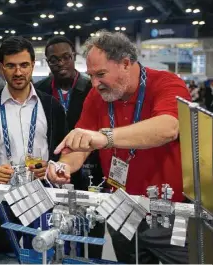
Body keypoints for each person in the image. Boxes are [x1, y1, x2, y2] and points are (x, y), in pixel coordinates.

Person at [47, 30, 191, 264]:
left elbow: (168, 127)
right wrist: (64, 166)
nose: (94, 84)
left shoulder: (166, 83)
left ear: (125, 63)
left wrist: (105, 138)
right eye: (91, 75)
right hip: (121, 209)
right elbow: (81, 143)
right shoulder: (97, 97)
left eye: (101, 74)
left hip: (170, 213)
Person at [0, 36, 67, 253]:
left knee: (44, 254)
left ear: (33, 65)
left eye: (24, 65)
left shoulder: (51, 106)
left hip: (44, 194)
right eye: (11, 66)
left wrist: (51, 166)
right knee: (5, 256)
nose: (18, 72)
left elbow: (65, 150)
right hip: (3, 197)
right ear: (1, 67)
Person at [35, 35, 105, 259]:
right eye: (54, 60)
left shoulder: (92, 88)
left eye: (66, 57)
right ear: (47, 62)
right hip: (55, 167)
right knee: (56, 226)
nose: (61, 63)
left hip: (92, 168)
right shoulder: (40, 90)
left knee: (92, 225)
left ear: (74, 57)